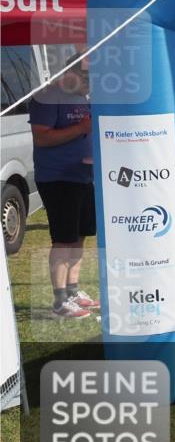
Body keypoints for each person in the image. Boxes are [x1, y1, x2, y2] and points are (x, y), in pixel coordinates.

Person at [29, 56, 101, 319]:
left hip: (83, 175)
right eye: (87, 78)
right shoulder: (46, 97)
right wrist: (81, 127)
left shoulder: (83, 97)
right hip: (57, 178)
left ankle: (73, 291)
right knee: (63, 239)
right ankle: (60, 302)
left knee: (81, 235)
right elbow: (42, 138)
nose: (90, 84)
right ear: (71, 73)